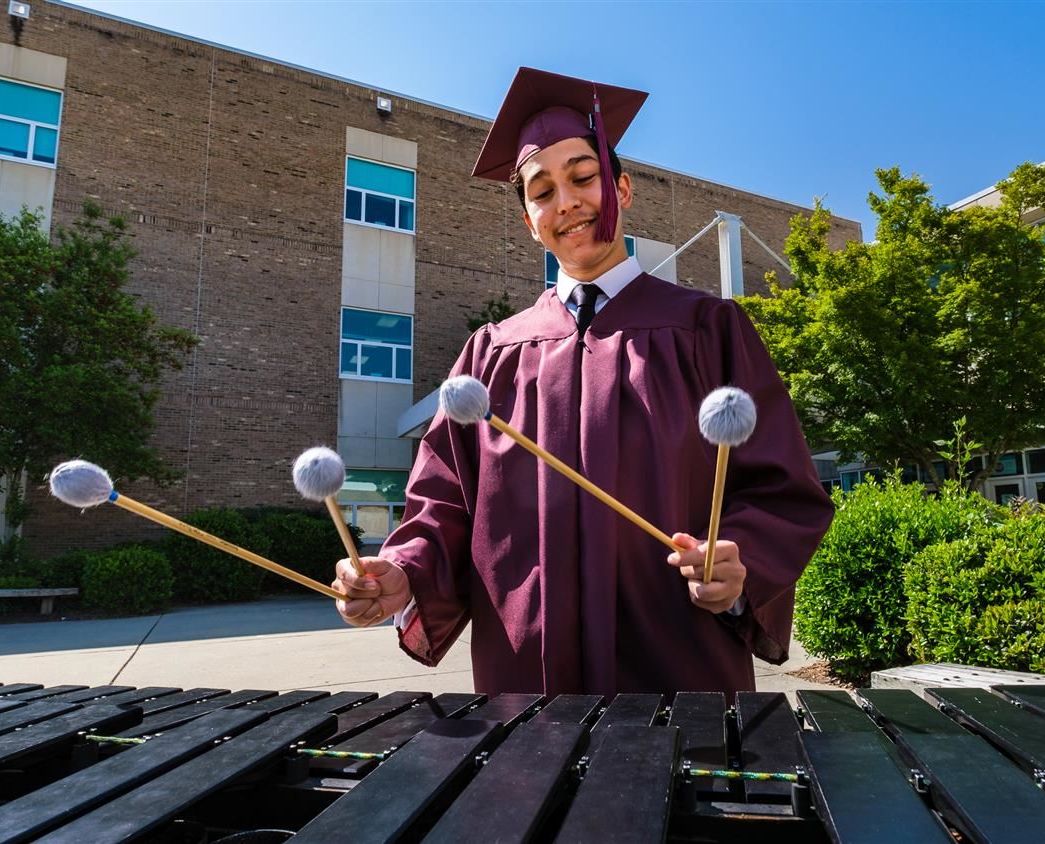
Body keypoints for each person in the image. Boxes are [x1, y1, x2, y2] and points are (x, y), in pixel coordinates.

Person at [331, 67, 833, 697]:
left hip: (679, 670)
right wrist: (403, 573)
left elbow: (783, 488)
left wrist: (741, 563)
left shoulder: (708, 330)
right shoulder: (490, 354)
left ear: (621, 186)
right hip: (523, 684)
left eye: (583, 176)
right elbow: (445, 505)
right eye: (541, 191)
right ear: (528, 222)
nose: (565, 201)